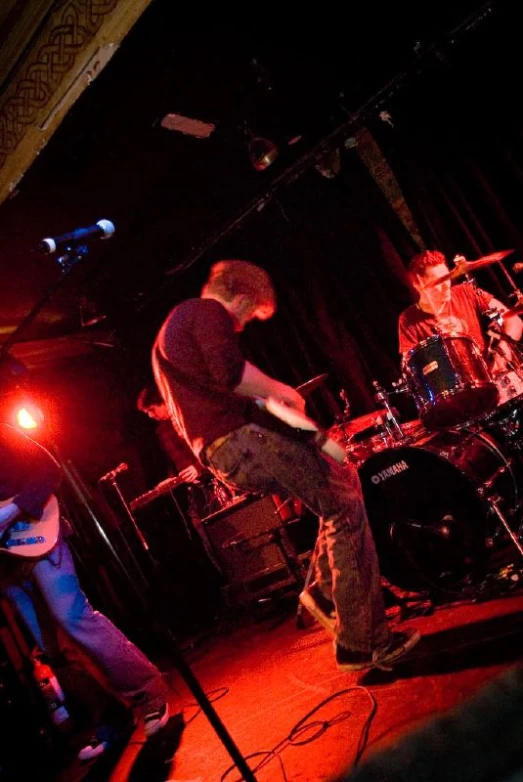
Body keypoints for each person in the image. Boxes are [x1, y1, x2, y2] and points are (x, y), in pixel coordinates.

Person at [152, 258, 420, 672]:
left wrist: (325, 444)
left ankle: (324, 594)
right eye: (250, 316)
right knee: (345, 509)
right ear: (240, 299)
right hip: (239, 440)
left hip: (229, 446)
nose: (243, 326)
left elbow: (241, 397)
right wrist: (283, 390)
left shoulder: (174, 329)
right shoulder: (204, 311)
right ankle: (361, 642)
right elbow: (232, 373)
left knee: (341, 489)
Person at [0, 422, 175, 761]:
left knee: (73, 617)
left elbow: (47, 469)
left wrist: (10, 510)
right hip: (4, 566)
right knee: (51, 647)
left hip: (35, 539)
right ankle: (112, 715)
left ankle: (149, 693)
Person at [398, 250, 523, 371]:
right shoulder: (408, 319)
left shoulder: (466, 292)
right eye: (438, 282)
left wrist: (504, 348)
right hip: (456, 387)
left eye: (447, 277)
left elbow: (513, 320)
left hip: (491, 374)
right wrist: (441, 342)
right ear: (418, 285)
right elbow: (409, 367)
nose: (446, 285)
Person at [136, 386, 202, 483]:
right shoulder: (162, 430)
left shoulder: (186, 415)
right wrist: (170, 479)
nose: (150, 415)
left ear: (163, 402)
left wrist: (198, 467)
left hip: (212, 473)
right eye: (147, 412)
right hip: (195, 483)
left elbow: (208, 444)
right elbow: (175, 460)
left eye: (152, 409)